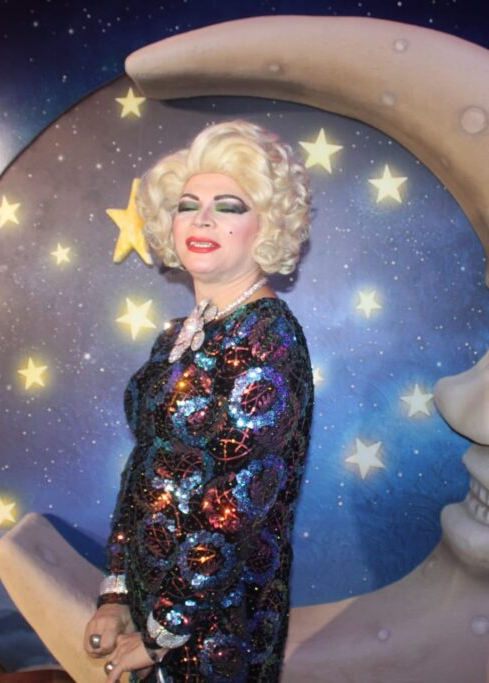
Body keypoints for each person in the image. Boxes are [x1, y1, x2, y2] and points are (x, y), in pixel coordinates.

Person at [83, 120, 314, 683]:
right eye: (188, 206)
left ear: (266, 225)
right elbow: (143, 468)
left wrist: (165, 628)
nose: (203, 219)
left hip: (218, 631)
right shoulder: (174, 336)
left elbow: (236, 508)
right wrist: (117, 592)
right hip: (154, 610)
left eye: (229, 207)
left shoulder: (268, 337)